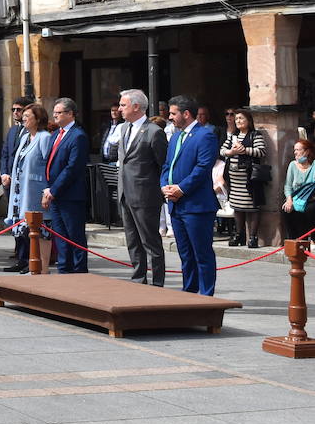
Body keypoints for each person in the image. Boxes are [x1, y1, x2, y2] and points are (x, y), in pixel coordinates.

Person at [162, 95, 221, 296]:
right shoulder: (176, 137)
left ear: (186, 114)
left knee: (201, 253)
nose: (170, 117)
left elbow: (203, 167)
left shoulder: (205, 135)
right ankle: (189, 290)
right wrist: (165, 186)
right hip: (176, 205)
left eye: (173, 113)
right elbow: (167, 165)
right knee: (185, 253)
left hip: (197, 205)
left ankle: (206, 294)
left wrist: (181, 188)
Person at [112, 89, 169, 285]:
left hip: (145, 196)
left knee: (150, 242)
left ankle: (158, 283)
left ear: (136, 106)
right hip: (125, 194)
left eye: (123, 105)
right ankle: (138, 280)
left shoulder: (154, 131)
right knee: (132, 241)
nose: (119, 109)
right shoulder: (123, 128)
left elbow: (163, 164)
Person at [43, 98, 90, 274]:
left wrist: (54, 190)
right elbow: (49, 164)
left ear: (70, 114)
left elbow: (72, 168)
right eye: (54, 112)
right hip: (55, 194)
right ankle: (64, 269)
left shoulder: (78, 136)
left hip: (70, 196)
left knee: (74, 236)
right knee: (60, 237)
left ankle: (79, 272)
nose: (55, 115)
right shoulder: (56, 134)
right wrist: (48, 189)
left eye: (59, 112)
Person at [3, 103, 51, 272]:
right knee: (26, 229)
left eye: (27, 116)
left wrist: (47, 190)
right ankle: (29, 262)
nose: (23, 118)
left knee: (40, 230)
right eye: (23, 116)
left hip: (35, 191)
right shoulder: (24, 137)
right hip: (20, 190)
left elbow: (49, 166)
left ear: (37, 119)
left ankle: (41, 266)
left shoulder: (44, 137)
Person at [220, 108, 269, 249]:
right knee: (237, 207)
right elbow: (222, 150)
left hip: (250, 179)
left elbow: (261, 151)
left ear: (249, 120)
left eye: (241, 118)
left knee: (252, 207)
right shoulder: (233, 135)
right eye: (237, 119)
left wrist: (245, 150)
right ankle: (239, 234)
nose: (238, 121)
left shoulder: (255, 135)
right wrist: (231, 152)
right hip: (234, 180)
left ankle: (253, 237)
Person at [282, 138, 315, 240]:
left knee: (311, 209)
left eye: (298, 150)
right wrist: (289, 200)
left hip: (311, 199)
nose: (295, 152)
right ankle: (294, 240)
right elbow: (288, 186)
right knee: (286, 209)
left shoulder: (314, 165)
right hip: (296, 199)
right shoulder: (292, 165)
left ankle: (312, 239)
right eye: (294, 150)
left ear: (307, 151)